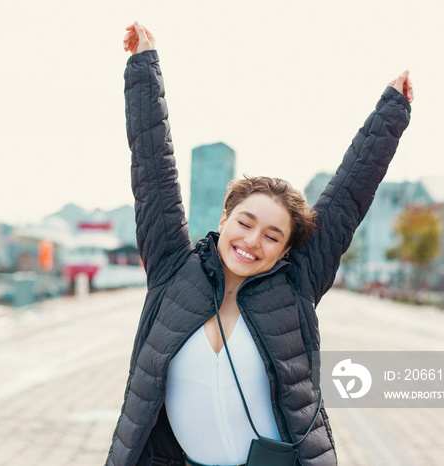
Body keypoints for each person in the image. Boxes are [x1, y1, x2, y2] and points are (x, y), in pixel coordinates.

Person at [107, 21, 413, 466]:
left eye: (272, 235)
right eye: (246, 222)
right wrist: (142, 67)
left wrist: (391, 112)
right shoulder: (173, 270)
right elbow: (153, 174)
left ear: (287, 249)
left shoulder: (296, 286)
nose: (252, 241)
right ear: (224, 218)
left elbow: (348, 195)